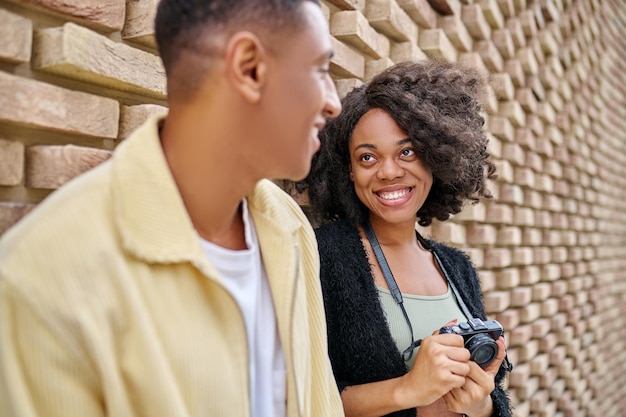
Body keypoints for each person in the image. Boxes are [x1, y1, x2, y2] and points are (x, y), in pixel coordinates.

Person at [0, 1, 343, 416]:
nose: (333, 102)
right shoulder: (42, 279)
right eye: (321, 69)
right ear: (249, 67)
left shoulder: (289, 226)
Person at [298, 60, 513, 417]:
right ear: (349, 171)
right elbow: (303, 393)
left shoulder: (457, 268)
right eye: (368, 157)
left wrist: (482, 405)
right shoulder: (325, 255)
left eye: (407, 152)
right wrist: (407, 389)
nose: (389, 171)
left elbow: (493, 394)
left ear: (435, 158)